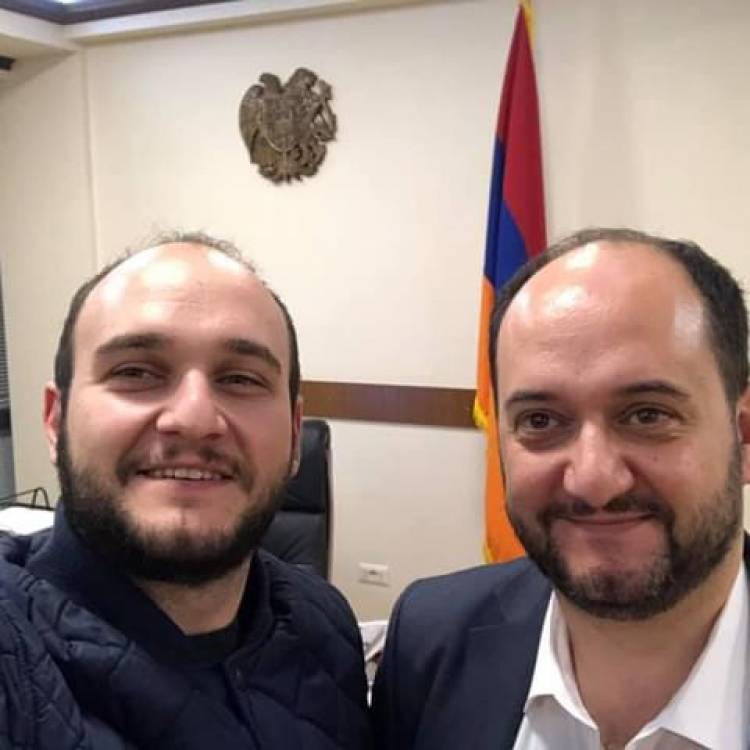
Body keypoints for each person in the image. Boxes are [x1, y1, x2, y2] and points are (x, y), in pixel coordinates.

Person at [372, 227, 750, 750]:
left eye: (647, 414)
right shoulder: (431, 638)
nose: (592, 480)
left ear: (743, 436)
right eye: (541, 420)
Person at [0, 232, 371, 748]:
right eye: (135, 372)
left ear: (293, 432)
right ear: (54, 420)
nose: (194, 419)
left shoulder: (325, 623)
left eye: (241, 379)